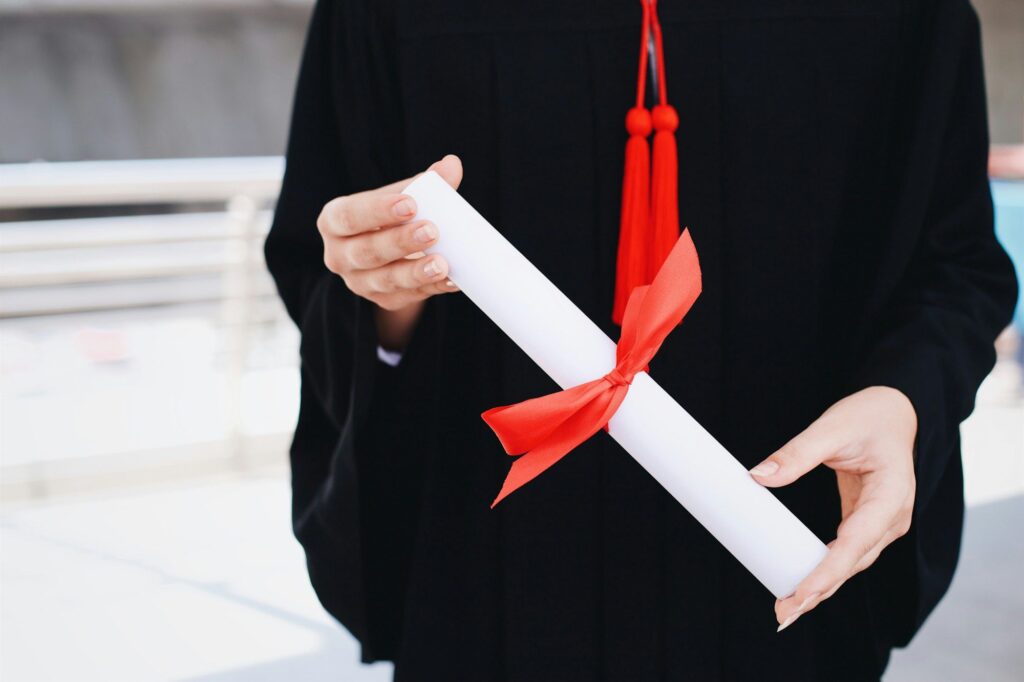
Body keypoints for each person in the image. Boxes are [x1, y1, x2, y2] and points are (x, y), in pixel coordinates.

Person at [264, 0, 1018, 679]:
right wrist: (386, 292)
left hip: (780, 567)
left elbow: (955, 263)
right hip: (493, 584)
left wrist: (904, 397)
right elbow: (321, 258)